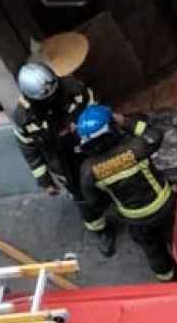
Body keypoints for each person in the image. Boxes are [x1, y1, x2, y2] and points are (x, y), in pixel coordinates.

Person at [11, 61, 116, 257]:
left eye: (54, 92)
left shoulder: (74, 89)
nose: (53, 99)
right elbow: (29, 150)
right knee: (83, 199)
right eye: (46, 98)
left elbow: (99, 112)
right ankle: (101, 231)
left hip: (92, 148)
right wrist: (45, 181)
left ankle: (127, 210)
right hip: (64, 162)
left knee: (115, 179)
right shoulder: (24, 117)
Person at [76, 105, 177, 282]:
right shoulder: (137, 147)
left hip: (135, 218)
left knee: (152, 249)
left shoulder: (88, 170)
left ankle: (167, 277)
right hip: (163, 206)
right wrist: (126, 121)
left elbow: (94, 200)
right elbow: (155, 133)